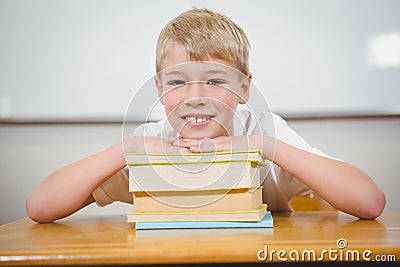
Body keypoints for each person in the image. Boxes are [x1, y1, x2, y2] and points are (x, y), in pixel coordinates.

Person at [26, 8, 385, 223]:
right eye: (178, 82)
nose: (195, 98)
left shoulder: (264, 131)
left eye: (215, 81)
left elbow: (370, 201)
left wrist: (261, 144)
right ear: (159, 89)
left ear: (245, 89)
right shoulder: (149, 141)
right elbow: (39, 207)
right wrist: (127, 149)